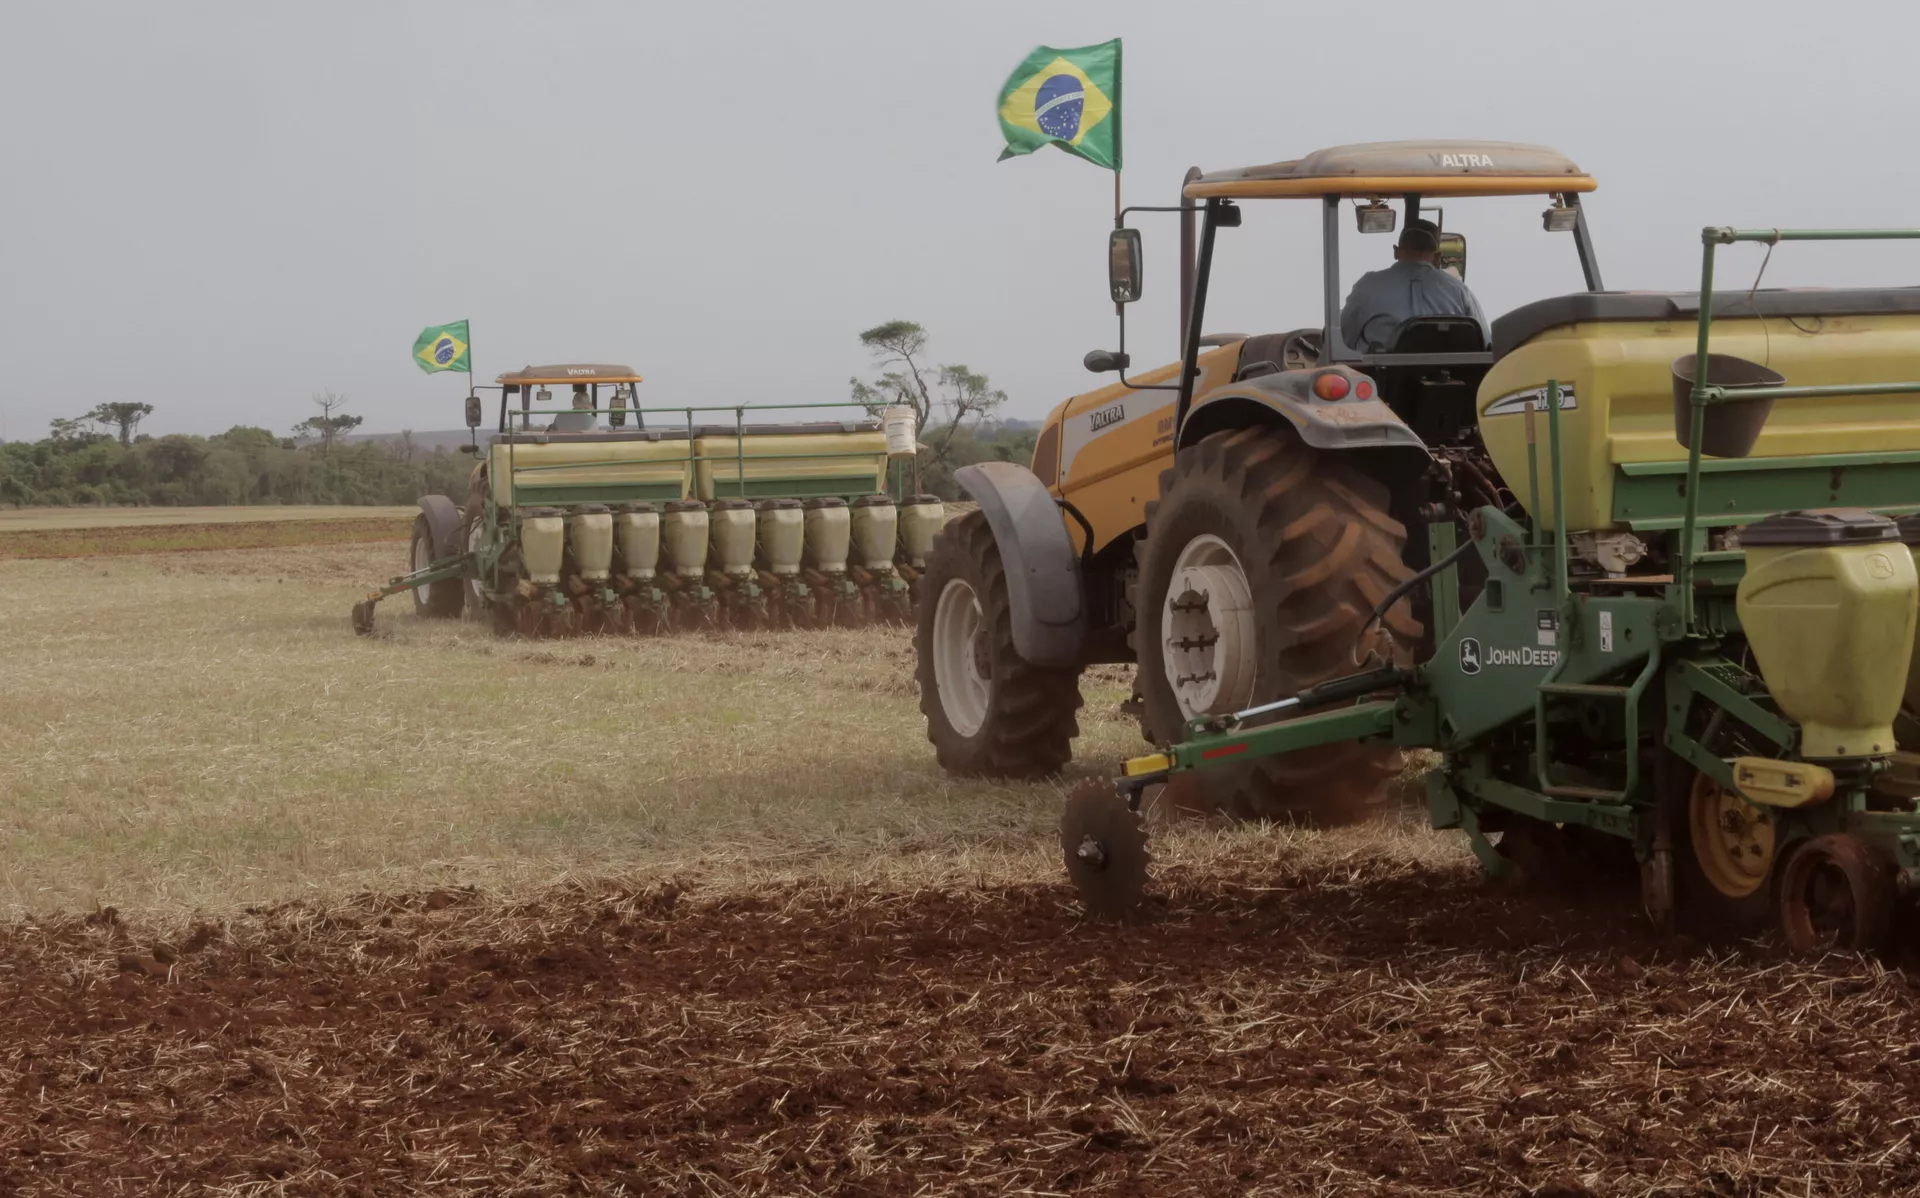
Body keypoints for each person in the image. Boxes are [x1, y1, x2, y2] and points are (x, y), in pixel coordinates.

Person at [1339, 219, 1489, 354]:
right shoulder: (1459, 291)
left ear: (1396, 252)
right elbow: (1485, 342)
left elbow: (1344, 338)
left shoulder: (1368, 286)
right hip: (1452, 380)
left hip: (1386, 381)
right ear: (1437, 258)